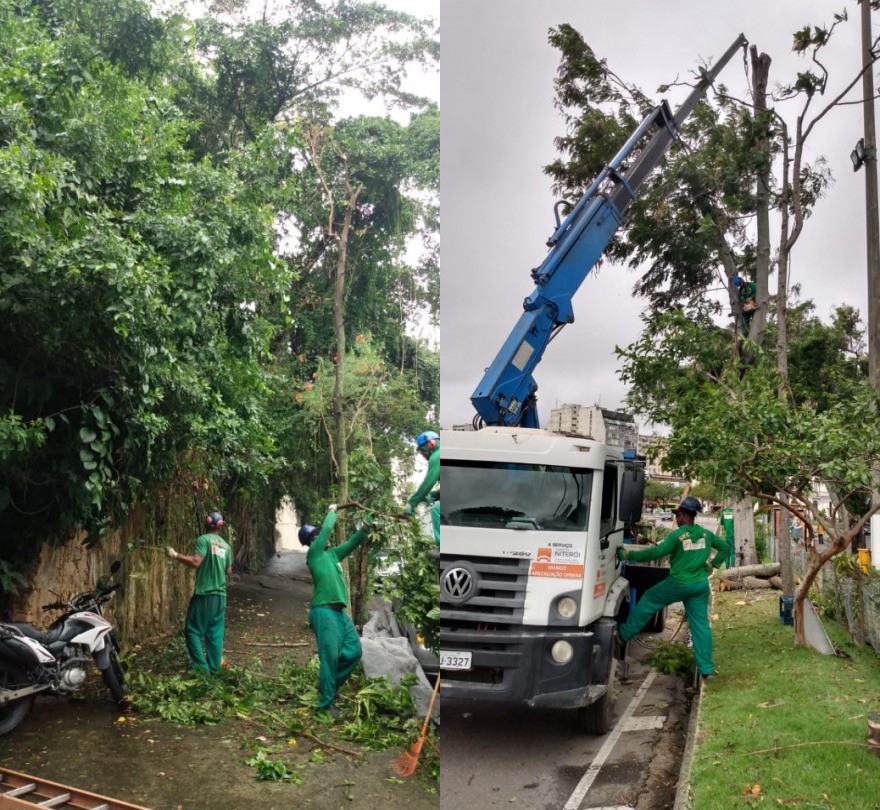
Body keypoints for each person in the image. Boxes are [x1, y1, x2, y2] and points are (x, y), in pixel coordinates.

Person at [616, 496, 730, 680]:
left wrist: (628, 555)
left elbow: (656, 552)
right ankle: (707, 670)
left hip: (678, 583)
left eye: (678, 515)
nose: (676, 519)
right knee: (701, 626)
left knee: (649, 598)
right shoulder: (706, 534)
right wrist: (713, 565)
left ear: (685, 516)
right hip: (700, 586)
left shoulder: (676, 535)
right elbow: (725, 548)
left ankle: (624, 635)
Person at [299, 504, 372, 717]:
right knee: (329, 657)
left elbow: (350, 544)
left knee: (354, 650)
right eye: (317, 535)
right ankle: (325, 705)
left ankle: (329, 687)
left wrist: (365, 528)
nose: (323, 537)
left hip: (339, 613)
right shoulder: (314, 554)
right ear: (312, 539)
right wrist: (332, 511)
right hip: (323, 612)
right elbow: (327, 529)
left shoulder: (332, 556)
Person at [166, 511, 233, 675]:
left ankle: (202, 670)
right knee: (215, 634)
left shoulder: (203, 540)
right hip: (220, 597)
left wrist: (175, 555)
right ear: (220, 526)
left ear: (206, 523)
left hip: (205, 595)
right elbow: (228, 571)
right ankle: (215, 671)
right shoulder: (226, 546)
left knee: (192, 631)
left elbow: (196, 561)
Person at [406, 430, 440, 547]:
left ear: (431, 443)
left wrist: (412, 503)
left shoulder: (437, 456)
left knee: (437, 509)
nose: (422, 454)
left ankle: (442, 547)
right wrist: (432, 496)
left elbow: (428, 483)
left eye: (422, 450)